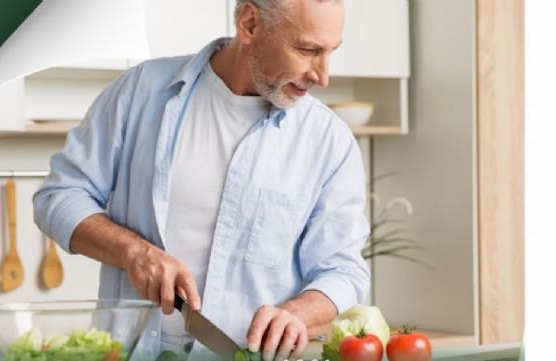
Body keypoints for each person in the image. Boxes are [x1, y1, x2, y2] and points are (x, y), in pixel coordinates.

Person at [33, 0, 370, 360]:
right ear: (250, 23)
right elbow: (60, 196)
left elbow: (343, 270)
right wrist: (134, 253)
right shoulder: (140, 92)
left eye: (331, 51)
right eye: (307, 50)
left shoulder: (328, 141)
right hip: (129, 352)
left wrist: (298, 314)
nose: (323, 75)